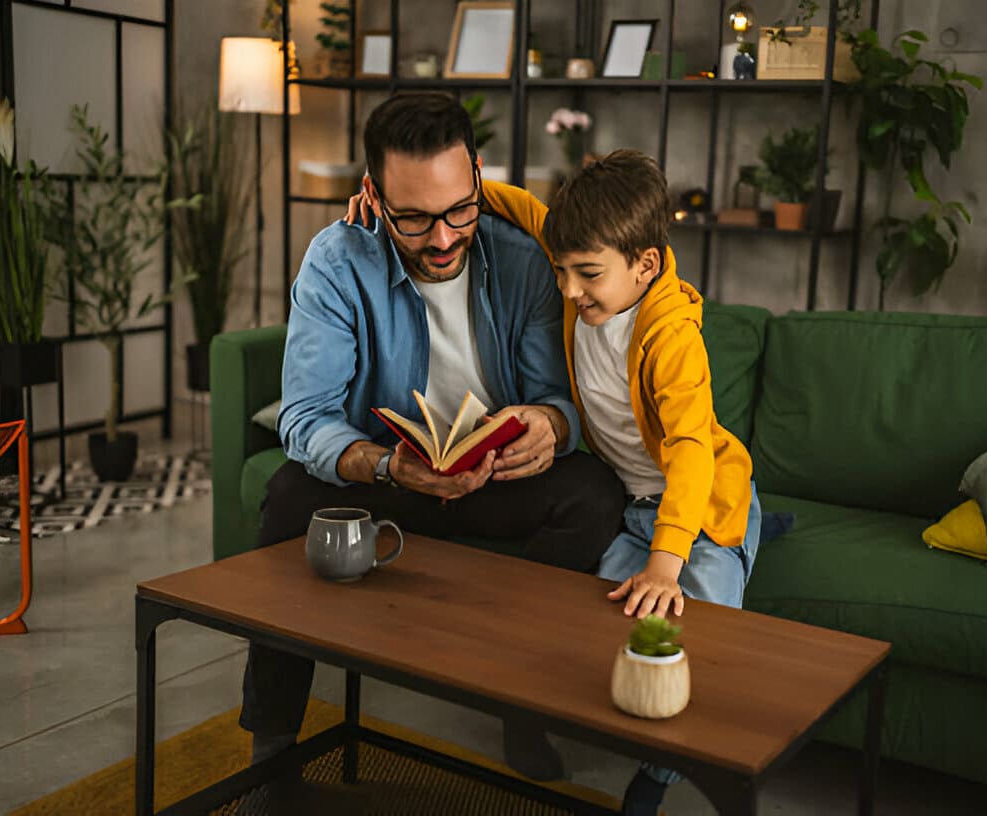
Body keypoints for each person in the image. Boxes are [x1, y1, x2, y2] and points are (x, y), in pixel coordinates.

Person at [349, 149, 788, 816]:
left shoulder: (671, 337)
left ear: (644, 264)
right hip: (634, 505)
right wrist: (400, 203)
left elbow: (694, 452)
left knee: (693, 619)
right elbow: (495, 200)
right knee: (599, 607)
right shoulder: (574, 259)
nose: (570, 289)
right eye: (560, 271)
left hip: (695, 504)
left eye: (587, 274)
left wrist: (668, 565)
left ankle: (659, 776)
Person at [242, 92, 625, 786]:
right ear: (373, 195)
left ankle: (520, 699)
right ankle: (272, 741)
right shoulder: (336, 262)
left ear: (478, 176)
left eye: (458, 210)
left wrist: (552, 427)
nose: (444, 239)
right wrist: (388, 465)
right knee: (289, 496)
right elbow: (305, 418)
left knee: (595, 497)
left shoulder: (523, 259)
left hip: (498, 478)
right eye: (413, 218)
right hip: (393, 482)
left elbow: (554, 395)